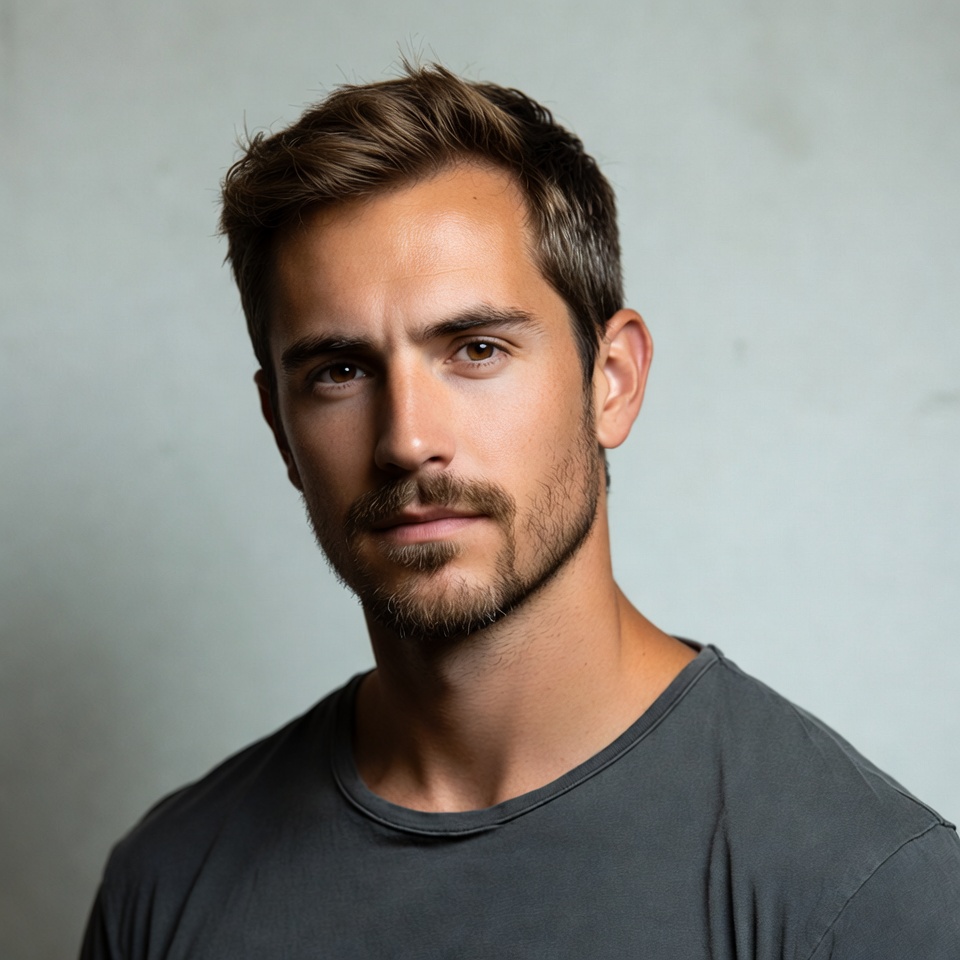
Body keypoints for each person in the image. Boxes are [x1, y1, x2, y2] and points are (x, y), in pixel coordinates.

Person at [80, 64, 960, 959]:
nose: (407, 440)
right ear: (280, 428)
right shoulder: (168, 885)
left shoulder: (866, 890)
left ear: (611, 381)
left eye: (476, 349)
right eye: (340, 371)